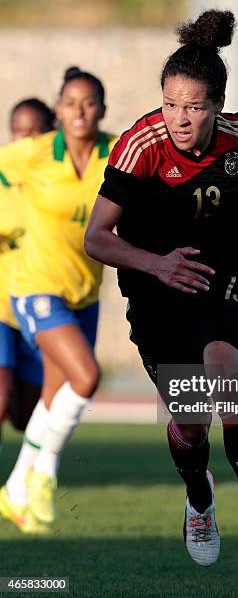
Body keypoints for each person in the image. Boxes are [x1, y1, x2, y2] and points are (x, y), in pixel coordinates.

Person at [85, 10, 238, 581]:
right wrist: (157, 264)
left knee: (226, 383)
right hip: (153, 283)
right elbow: (97, 237)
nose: (179, 119)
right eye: (169, 103)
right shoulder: (142, 145)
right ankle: (199, 495)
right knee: (190, 423)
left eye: (193, 106)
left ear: (218, 105)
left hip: (223, 272)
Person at [0, 67, 117, 534]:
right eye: (71, 102)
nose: (80, 110)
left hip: (85, 293)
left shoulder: (117, 153)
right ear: (59, 109)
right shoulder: (31, 155)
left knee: (53, 396)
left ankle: (13, 489)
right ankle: (45, 475)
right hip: (35, 287)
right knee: (87, 376)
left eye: (89, 102)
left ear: (102, 109)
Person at [0, 99, 55, 451]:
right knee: (1, 399)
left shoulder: (60, 181)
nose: (26, 140)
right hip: (2, 306)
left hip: (42, 306)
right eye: (19, 132)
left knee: (26, 415)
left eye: (35, 132)